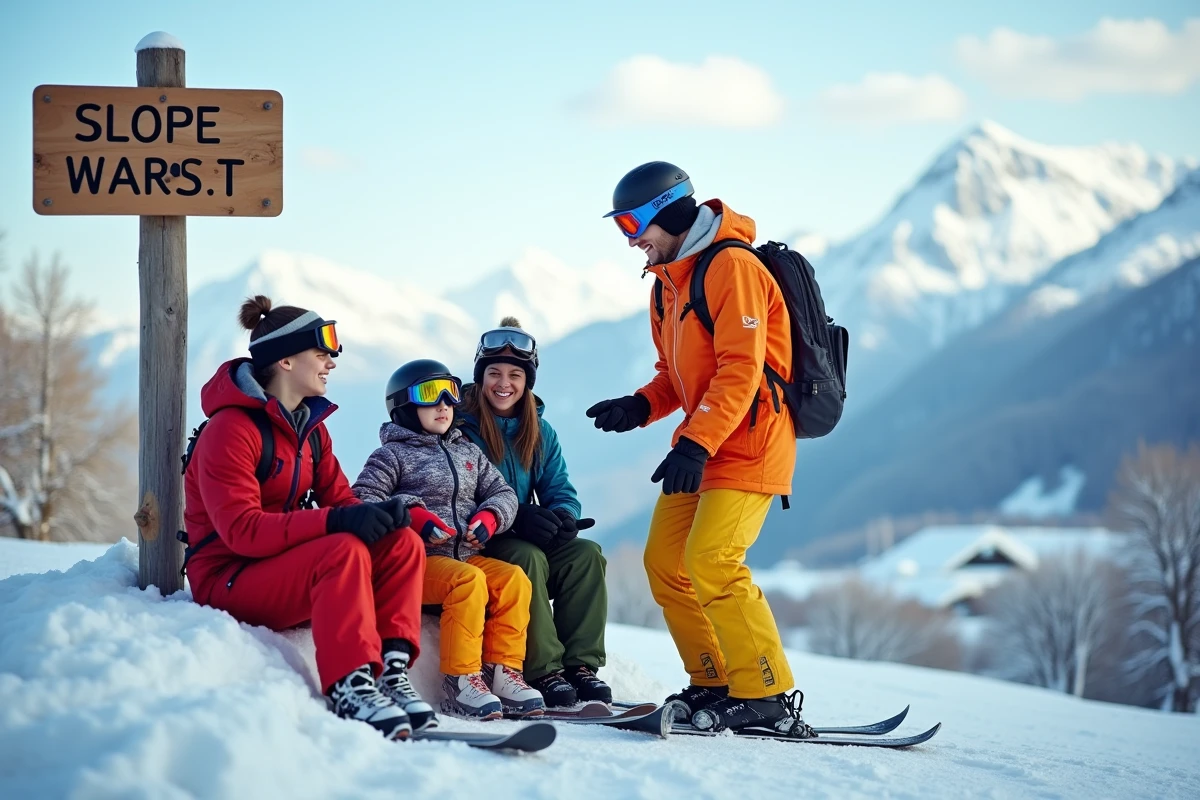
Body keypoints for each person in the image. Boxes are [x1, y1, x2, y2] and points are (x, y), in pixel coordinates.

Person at [587, 162, 814, 737]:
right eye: (620, 227)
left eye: (633, 223)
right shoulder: (668, 285)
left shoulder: (731, 267)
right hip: (706, 443)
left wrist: (692, 443)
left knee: (713, 561)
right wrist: (641, 404)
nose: (631, 239)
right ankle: (714, 678)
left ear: (670, 210)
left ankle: (762, 691)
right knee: (665, 562)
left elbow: (743, 369)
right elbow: (675, 374)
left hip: (751, 443)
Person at [182, 295, 433, 741]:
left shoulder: (311, 430)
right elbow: (242, 532)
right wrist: (336, 524)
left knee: (401, 544)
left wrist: (395, 517)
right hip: (228, 578)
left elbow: (341, 501)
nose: (331, 363)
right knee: (342, 549)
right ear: (284, 360)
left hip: (280, 568)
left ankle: (391, 673)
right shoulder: (231, 430)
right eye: (321, 353)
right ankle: (349, 685)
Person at [351, 359, 545, 720]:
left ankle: (503, 671)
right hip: (417, 564)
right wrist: (414, 514)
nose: (443, 404)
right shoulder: (391, 455)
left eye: (450, 393)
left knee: (514, 579)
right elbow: (363, 497)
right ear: (404, 406)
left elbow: (502, 492)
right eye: (429, 394)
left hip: (466, 555)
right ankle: (461, 679)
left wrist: (491, 517)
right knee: (468, 582)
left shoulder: (468, 452)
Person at [458, 317, 611, 709]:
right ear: (480, 376)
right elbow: (452, 491)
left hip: (524, 534)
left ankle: (581, 666)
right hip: (482, 541)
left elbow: (560, 489)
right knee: (528, 558)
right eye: (494, 372)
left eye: (515, 374)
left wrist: (563, 518)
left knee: (586, 556)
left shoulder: (540, 432)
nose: (503, 383)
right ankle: (543, 669)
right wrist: (516, 517)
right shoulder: (461, 427)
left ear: (528, 381)